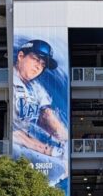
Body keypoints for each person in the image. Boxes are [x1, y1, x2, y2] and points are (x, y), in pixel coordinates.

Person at [12, 39, 68, 180]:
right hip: (9, 146)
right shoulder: (8, 82)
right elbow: (13, 132)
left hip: (25, 143)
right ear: (20, 56)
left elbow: (46, 115)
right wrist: (49, 151)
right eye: (36, 59)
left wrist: (67, 142)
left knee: (63, 168)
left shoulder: (35, 87)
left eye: (42, 65)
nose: (38, 67)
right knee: (56, 169)